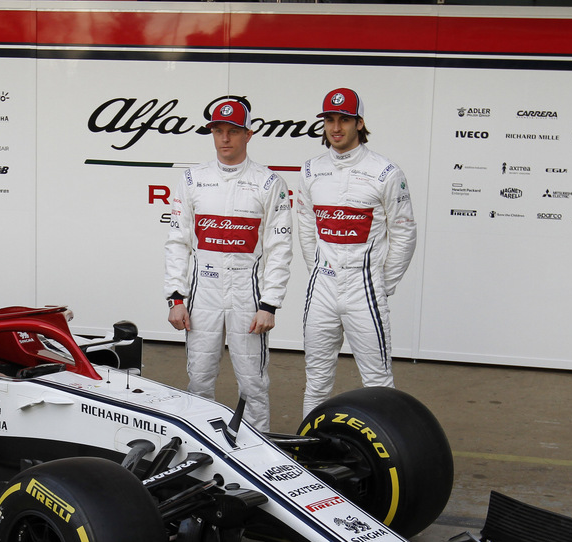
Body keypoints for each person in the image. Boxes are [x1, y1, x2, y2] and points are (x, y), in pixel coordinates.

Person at [163, 97, 292, 431]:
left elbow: (279, 249)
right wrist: (176, 299)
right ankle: (202, 450)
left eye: (233, 131)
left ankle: (259, 454)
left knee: (253, 383)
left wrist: (270, 305)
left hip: (247, 296)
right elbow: (177, 242)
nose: (224, 139)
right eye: (218, 131)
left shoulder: (269, 183)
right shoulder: (193, 180)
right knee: (200, 379)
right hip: (202, 292)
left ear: (248, 134)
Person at [296, 87, 416, 417]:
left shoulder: (386, 172)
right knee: (316, 381)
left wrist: (381, 283)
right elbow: (307, 229)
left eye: (345, 120)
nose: (336, 128)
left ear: (360, 123)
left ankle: (389, 457)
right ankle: (309, 456)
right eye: (330, 120)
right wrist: (319, 271)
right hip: (322, 289)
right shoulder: (309, 171)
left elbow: (404, 233)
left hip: (365, 289)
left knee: (377, 382)